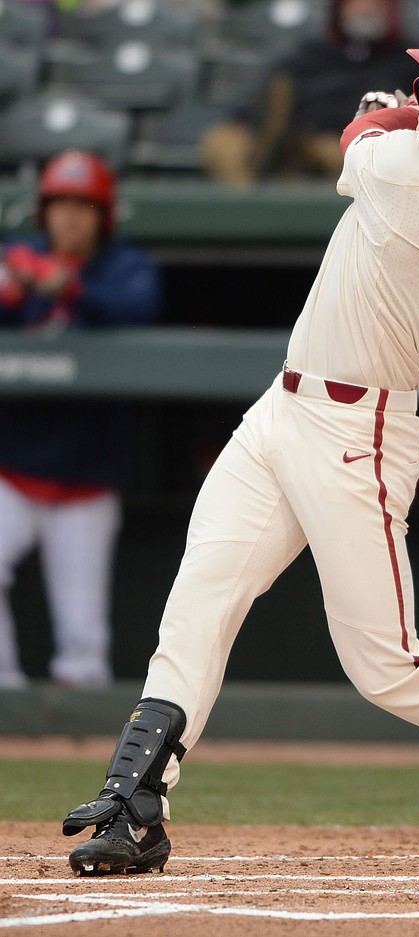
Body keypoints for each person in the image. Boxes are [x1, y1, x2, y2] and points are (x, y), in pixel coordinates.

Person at [61, 19, 419, 876]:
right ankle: (136, 801)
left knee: (386, 663)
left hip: (356, 434)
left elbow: (361, 141)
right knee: (200, 597)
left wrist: (385, 113)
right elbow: (407, 134)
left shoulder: (418, 180)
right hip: (283, 410)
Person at [0, 149, 162, 689]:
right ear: (43, 211)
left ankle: (76, 743)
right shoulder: (16, 258)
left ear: (103, 215)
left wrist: (69, 287)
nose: (69, 217)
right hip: (14, 471)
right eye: (60, 205)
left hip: (86, 481)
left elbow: (137, 308)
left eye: (83, 206)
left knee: (83, 640)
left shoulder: (126, 268)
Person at [200, 0, 419, 184]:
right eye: (355, 2)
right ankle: (247, 212)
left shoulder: (410, 61)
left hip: (359, 147)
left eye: (375, 3)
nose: (365, 9)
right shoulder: (307, 55)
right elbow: (265, 102)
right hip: (289, 143)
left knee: (336, 153)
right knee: (224, 142)